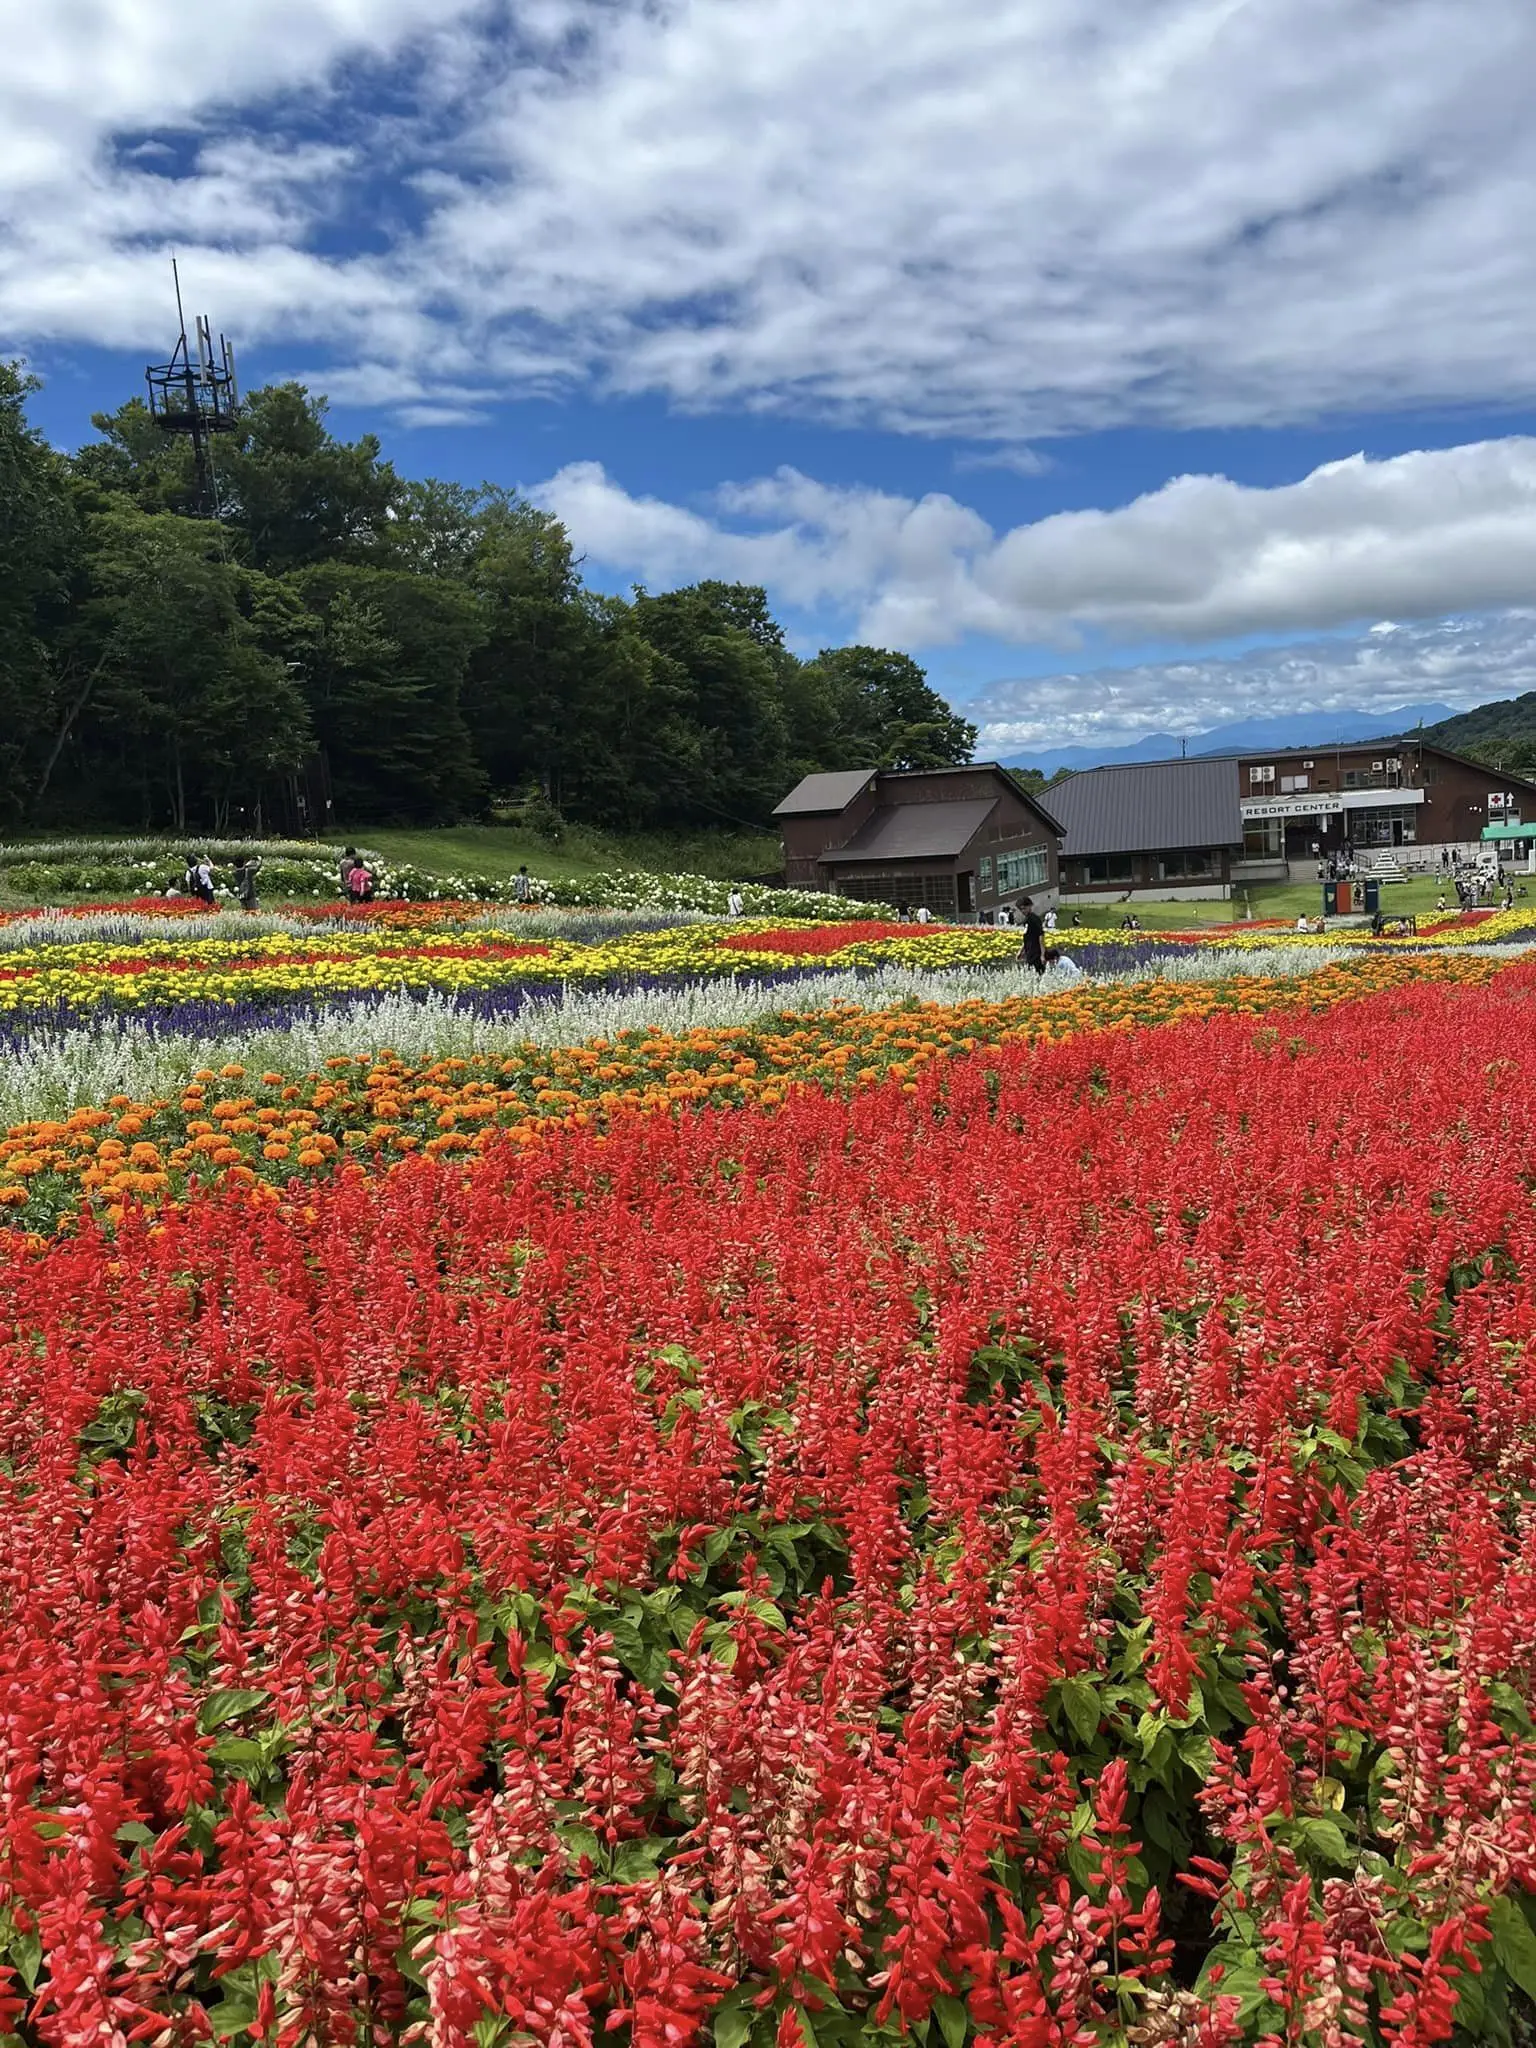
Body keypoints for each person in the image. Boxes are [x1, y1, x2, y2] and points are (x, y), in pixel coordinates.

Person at [1018, 895, 1046, 975]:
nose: (1023, 911)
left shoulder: (1034, 919)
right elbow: (1026, 937)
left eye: (1024, 908)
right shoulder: (1026, 920)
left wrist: (1042, 954)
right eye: (1021, 909)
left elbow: (1041, 936)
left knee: (1038, 973)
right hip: (1029, 952)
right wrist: (1021, 950)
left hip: (1036, 952)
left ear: (1030, 906)